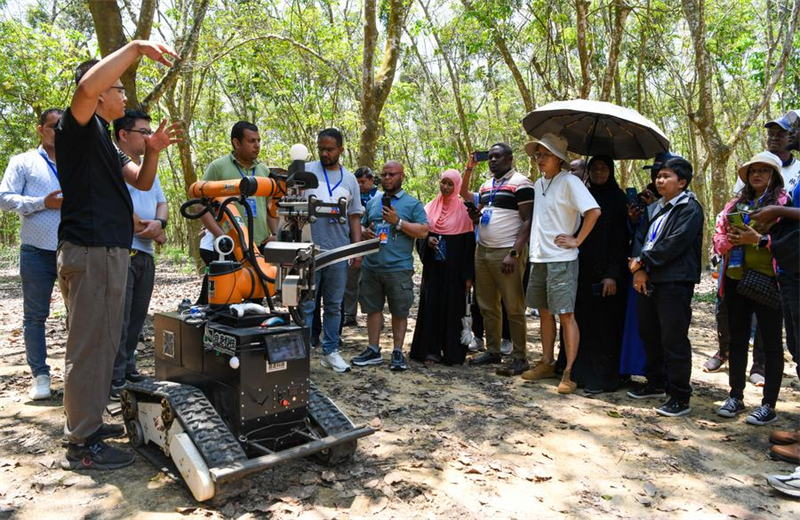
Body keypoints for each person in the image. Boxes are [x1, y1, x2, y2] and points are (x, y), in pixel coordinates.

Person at [56, 41, 181, 470]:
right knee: (88, 345)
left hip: (111, 251)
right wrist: (138, 47)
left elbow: (142, 183)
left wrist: (154, 151)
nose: (124, 97)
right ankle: (82, 444)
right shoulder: (76, 125)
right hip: (88, 249)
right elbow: (88, 85)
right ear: (101, 92)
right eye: (119, 90)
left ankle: (86, 423)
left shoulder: (106, 142)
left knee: (105, 342)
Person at [707, 115, 800, 375]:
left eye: (781, 134)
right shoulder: (740, 196)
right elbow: (722, 225)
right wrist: (727, 241)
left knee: (770, 327)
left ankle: (760, 367)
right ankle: (726, 358)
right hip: (736, 269)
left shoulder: (789, 188)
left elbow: (787, 236)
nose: (775, 138)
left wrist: (762, 235)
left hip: (774, 272)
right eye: (771, 134)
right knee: (730, 317)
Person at [521, 134, 600, 394]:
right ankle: (546, 362)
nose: (539, 159)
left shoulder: (569, 182)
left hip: (562, 260)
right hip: (539, 257)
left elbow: (593, 211)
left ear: (559, 159)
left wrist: (577, 240)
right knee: (544, 311)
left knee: (566, 315)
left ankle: (569, 372)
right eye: (538, 154)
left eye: (545, 155)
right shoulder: (538, 183)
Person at [712, 151, 787, 426]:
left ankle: (768, 405)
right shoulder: (734, 205)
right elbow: (718, 236)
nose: (757, 175)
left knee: (770, 343)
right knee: (738, 338)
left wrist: (758, 239)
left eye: (764, 171)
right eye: (753, 171)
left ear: (774, 176)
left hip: (768, 280)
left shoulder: (783, 205)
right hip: (735, 279)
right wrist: (731, 241)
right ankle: (735, 396)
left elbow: (787, 242)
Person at [627, 157, 704, 417]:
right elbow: (643, 238)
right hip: (650, 278)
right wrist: (639, 270)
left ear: (682, 182)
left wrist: (642, 262)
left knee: (674, 338)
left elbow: (674, 243)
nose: (660, 180)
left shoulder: (689, 207)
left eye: (666, 176)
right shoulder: (655, 208)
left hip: (675, 280)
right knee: (650, 333)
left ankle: (680, 396)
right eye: (658, 176)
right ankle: (656, 381)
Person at [0, 108, 63, 400]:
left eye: (63, 128)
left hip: (73, 250)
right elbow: (4, 198)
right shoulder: (23, 161)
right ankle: (40, 375)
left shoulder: (76, 161)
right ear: (40, 129)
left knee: (80, 315)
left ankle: (79, 376)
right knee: (35, 317)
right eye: (52, 126)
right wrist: (42, 203)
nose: (57, 132)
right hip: (36, 252)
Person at [459, 144, 533, 376]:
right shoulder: (486, 185)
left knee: (513, 306)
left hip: (507, 252)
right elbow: (473, 203)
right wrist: (475, 215)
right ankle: (493, 350)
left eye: (497, 157)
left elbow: (529, 221)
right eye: (490, 157)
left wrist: (514, 253)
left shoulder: (521, 183)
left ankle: (520, 357)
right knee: (487, 304)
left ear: (510, 158)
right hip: (483, 250)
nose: (492, 161)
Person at [109, 109, 168, 400]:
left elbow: (162, 203)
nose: (149, 136)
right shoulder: (113, 164)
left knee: (136, 316)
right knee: (118, 316)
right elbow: (118, 205)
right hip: (122, 249)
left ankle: (128, 368)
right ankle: (114, 376)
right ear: (124, 134)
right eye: (144, 132)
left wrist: (161, 223)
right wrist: (151, 229)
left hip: (145, 253)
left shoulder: (148, 166)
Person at [351, 161, 428, 371]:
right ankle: (373, 350)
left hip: (398, 268)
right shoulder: (374, 202)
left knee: (399, 311)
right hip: (372, 266)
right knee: (372, 309)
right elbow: (363, 223)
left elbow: (423, 231)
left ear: (402, 176)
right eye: (384, 175)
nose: (387, 178)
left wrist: (399, 222)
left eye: (392, 174)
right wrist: (365, 230)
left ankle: (397, 352)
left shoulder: (412, 204)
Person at [301, 128, 363, 373]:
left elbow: (355, 217)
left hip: (338, 251)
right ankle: (302, 354)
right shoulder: (306, 171)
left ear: (341, 150)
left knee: (334, 305)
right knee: (306, 304)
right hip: (308, 251)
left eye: (330, 149)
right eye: (321, 149)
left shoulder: (350, 179)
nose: (325, 153)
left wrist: (356, 250)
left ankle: (331, 351)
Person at [196, 121, 277, 304]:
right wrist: (221, 236)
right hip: (230, 246)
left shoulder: (263, 170)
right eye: (251, 141)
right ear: (236, 142)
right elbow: (200, 206)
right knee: (223, 301)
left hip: (258, 247)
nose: (257, 145)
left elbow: (270, 208)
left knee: (255, 300)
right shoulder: (218, 167)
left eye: (258, 140)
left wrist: (274, 234)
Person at [567, 155, 629, 393]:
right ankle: (576, 372)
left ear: (611, 171)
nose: (599, 172)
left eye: (604, 168)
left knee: (604, 328)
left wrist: (612, 274)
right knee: (580, 322)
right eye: (595, 168)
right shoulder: (581, 196)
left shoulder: (617, 198)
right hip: (580, 268)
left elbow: (621, 240)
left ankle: (601, 378)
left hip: (606, 273)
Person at [410, 169, 475, 365]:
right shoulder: (430, 207)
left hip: (455, 273)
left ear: (456, 187)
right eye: (443, 183)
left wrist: (468, 276)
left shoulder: (464, 210)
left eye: (450, 184)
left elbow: (469, 246)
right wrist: (428, 241)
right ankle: (430, 351)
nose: (445, 187)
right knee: (431, 308)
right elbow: (421, 235)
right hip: (434, 270)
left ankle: (453, 353)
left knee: (453, 310)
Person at [342, 166, 378, 327]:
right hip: (353, 243)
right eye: (357, 183)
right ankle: (349, 315)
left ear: (371, 180)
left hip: (373, 246)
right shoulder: (351, 196)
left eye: (363, 182)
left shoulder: (380, 197)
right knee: (350, 281)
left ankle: (375, 316)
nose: (360, 186)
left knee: (371, 283)